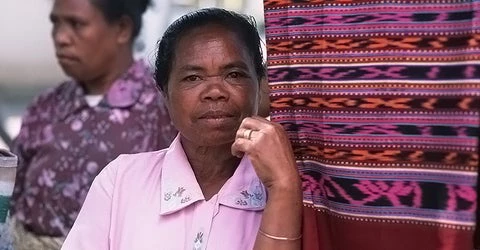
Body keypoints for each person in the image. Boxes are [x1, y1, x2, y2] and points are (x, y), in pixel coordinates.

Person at [61, 8, 302, 250]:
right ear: (164, 92)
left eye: (234, 74)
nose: (215, 92)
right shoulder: (120, 181)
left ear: (260, 86)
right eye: (193, 78)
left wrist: (283, 189)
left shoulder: (287, 184)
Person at [10, 0, 176, 249]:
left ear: (122, 29)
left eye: (76, 24)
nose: (61, 38)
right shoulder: (46, 106)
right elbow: (10, 190)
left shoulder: (163, 111)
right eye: (56, 23)